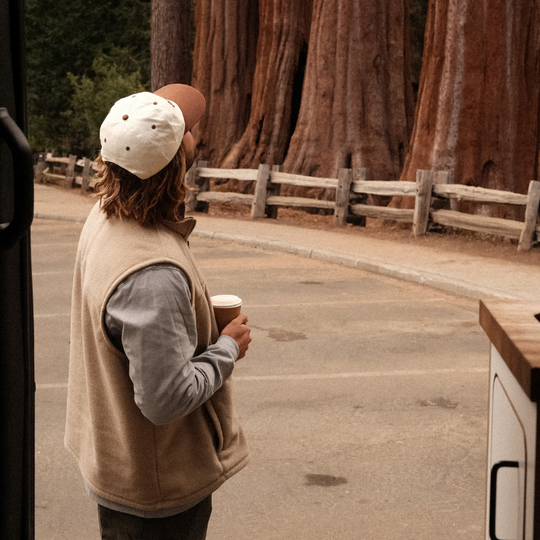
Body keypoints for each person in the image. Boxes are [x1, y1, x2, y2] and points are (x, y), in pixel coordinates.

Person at [64, 84, 252, 540]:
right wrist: (227, 348)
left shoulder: (106, 216)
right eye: (188, 139)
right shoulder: (152, 274)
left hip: (119, 463)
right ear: (177, 171)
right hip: (157, 495)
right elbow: (165, 400)